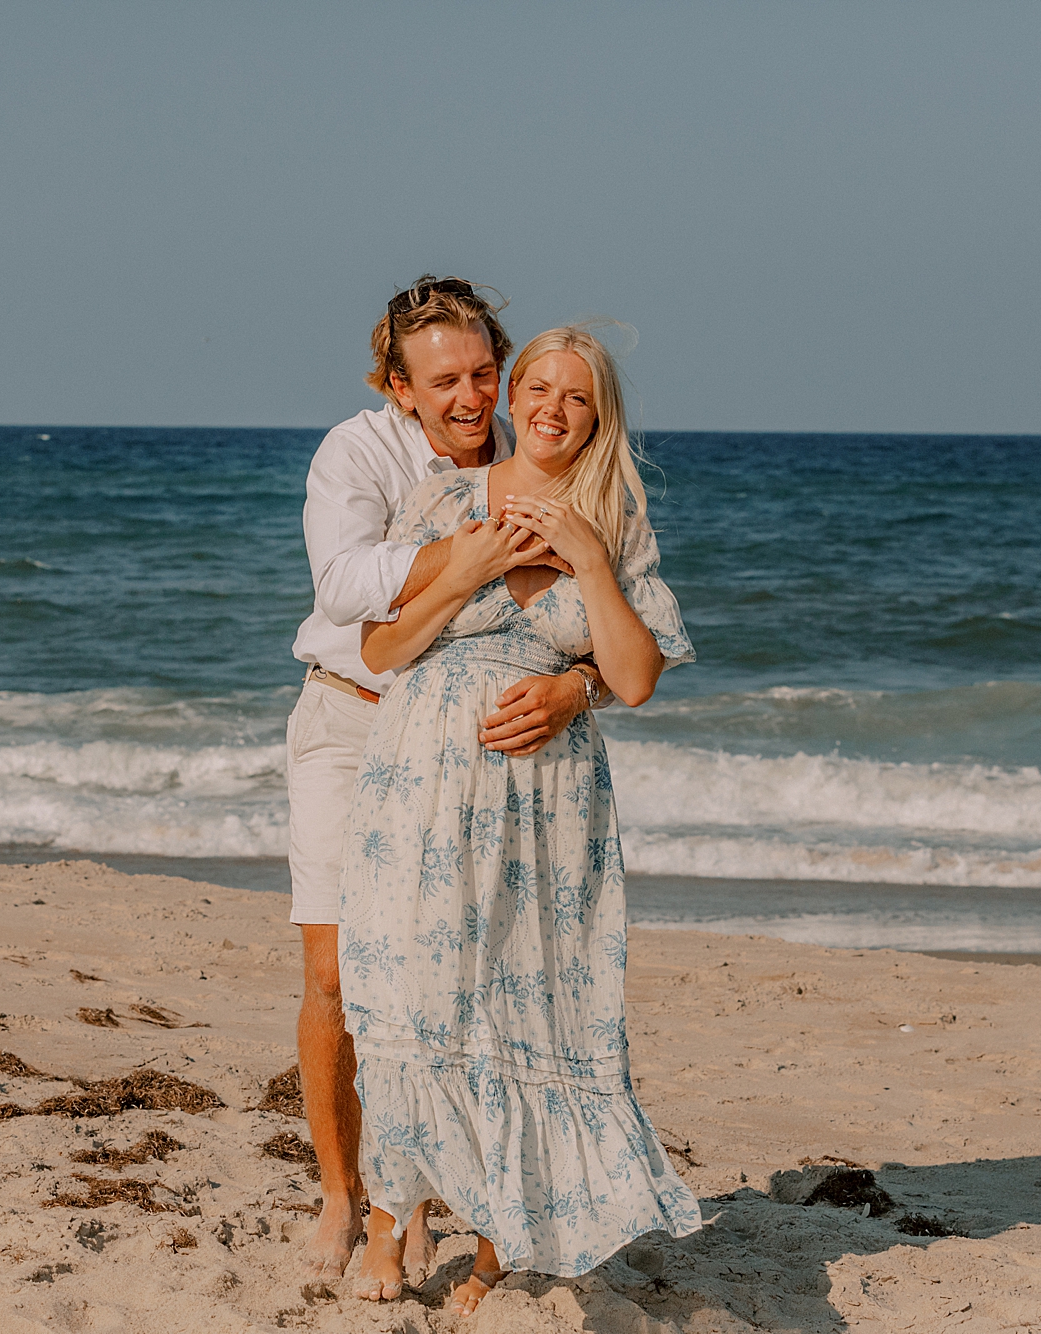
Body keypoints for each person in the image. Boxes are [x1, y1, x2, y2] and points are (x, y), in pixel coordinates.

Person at [340, 326, 702, 1313]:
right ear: (514, 397)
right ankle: (387, 1217)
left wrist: (582, 580)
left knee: (522, 1001)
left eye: (574, 396)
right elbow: (382, 648)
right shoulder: (449, 496)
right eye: (535, 386)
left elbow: (633, 678)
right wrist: (465, 568)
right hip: (419, 787)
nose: (549, 406)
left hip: (546, 806)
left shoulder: (616, 520)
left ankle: (502, 1233)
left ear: (597, 416)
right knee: (412, 994)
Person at [289, 277, 608, 1282]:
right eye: (444, 381)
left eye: (483, 373)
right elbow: (341, 587)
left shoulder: (547, 465)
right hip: (352, 720)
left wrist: (579, 687)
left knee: (460, 986)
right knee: (342, 975)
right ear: (397, 387)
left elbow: (613, 622)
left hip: (475, 752)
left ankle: (424, 1194)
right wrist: (459, 553)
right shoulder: (363, 453)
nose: (469, 397)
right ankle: (347, 1190)